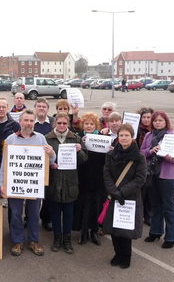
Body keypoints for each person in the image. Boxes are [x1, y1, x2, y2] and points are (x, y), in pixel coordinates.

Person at [0, 110, 56, 256]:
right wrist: (1, 183)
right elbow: (5, 163)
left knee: (33, 214)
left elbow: (49, 162)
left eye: (31, 121)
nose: (29, 123)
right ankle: (18, 241)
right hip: (15, 183)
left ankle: (33, 240)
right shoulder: (11, 139)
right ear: (20, 121)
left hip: (34, 185)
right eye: (26, 120)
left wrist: (52, 154)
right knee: (16, 214)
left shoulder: (41, 139)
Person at [103, 123, 147, 269]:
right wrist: (113, 191)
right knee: (114, 228)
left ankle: (126, 256)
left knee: (126, 230)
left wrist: (123, 192)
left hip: (130, 197)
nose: (123, 138)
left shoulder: (139, 157)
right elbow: (106, 174)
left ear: (132, 137)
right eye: (121, 135)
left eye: (126, 135)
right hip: (114, 196)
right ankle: (117, 253)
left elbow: (140, 179)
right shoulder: (111, 155)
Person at [140, 111, 174, 249]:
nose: (157, 123)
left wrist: (172, 158)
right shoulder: (149, 135)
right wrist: (150, 150)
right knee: (155, 205)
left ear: (166, 121)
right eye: (155, 121)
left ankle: (171, 237)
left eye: (160, 120)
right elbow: (141, 152)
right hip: (152, 175)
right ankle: (155, 231)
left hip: (167, 177)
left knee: (168, 207)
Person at [45, 112, 88, 254]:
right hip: (54, 182)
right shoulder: (47, 139)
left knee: (69, 213)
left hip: (70, 182)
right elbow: (41, 160)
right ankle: (57, 238)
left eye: (64, 123)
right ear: (55, 123)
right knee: (55, 213)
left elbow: (84, 160)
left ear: (68, 124)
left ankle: (67, 239)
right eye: (59, 123)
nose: (62, 126)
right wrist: (50, 165)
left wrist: (80, 151)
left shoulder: (76, 138)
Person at [72, 112, 106, 246]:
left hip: (98, 178)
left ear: (96, 125)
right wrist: (81, 146)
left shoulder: (103, 138)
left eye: (92, 124)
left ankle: (95, 231)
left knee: (97, 205)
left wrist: (110, 150)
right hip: (83, 177)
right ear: (83, 125)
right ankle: (83, 232)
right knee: (83, 206)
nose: (89, 126)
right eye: (86, 123)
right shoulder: (78, 137)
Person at [33, 97, 54, 231]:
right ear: (35, 108)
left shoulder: (53, 122)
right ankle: (28, 218)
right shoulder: (30, 121)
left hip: (48, 163)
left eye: (44, 106)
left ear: (47, 109)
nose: (41, 108)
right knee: (31, 194)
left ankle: (46, 219)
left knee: (47, 194)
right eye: (39, 106)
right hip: (31, 163)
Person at [136, 106, 154, 226]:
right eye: (144, 117)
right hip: (138, 163)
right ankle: (138, 216)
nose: (146, 120)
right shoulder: (136, 129)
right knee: (140, 192)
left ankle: (148, 216)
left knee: (149, 193)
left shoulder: (155, 130)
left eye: (149, 117)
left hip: (151, 165)